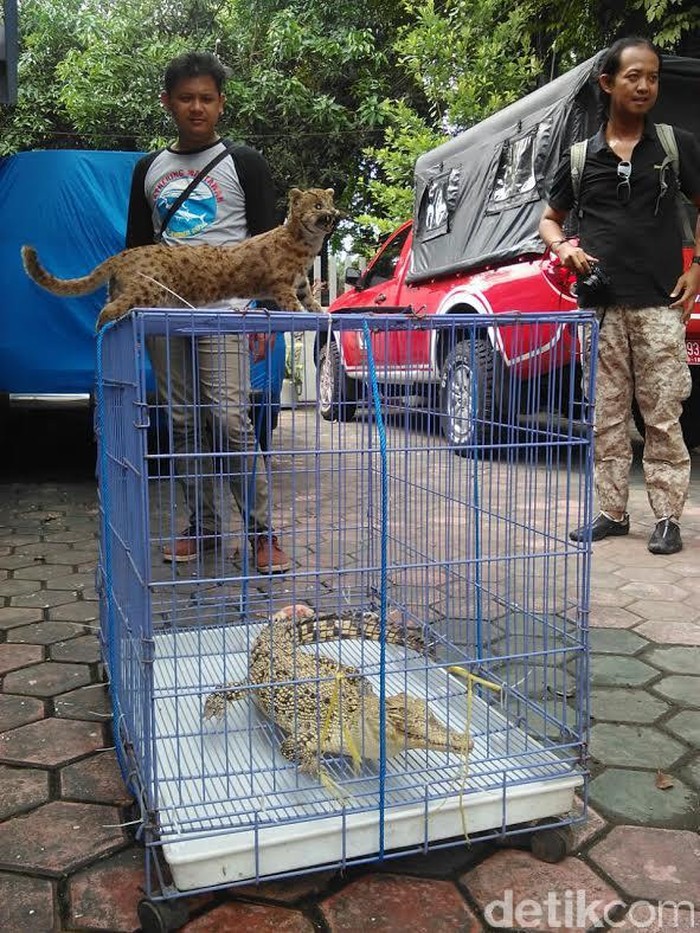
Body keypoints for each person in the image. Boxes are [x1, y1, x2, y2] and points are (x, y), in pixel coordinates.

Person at [125, 51, 291, 573]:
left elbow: (273, 248)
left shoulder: (245, 162)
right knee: (181, 421)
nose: (196, 107)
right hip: (166, 316)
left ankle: (261, 531)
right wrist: (137, 313)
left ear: (220, 104)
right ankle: (203, 526)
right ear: (167, 103)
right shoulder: (148, 169)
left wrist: (266, 314)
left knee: (229, 418)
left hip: (229, 312)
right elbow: (137, 248)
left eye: (206, 98)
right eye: (186, 98)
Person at [539, 36, 700, 555]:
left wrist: (697, 265)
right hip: (602, 309)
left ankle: (668, 518)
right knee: (605, 416)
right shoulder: (581, 157)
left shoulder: (676, 146)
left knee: (662, 413)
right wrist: (564, 249)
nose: (645, 85)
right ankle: (611, 511)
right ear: (608, 83)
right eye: (633, 76)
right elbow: (549, 220)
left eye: (652, 76)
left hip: (660, 305)